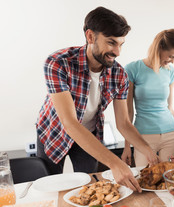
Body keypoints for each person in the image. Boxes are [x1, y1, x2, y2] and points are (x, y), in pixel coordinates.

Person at [36, 7, 157, 192]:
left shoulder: (120, 75)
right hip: (54, 132)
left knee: (90, 188)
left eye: (121, 44)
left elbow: (123, 123)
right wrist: (115, 163)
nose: (117, 52)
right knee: (49, 189)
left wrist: (147, 150)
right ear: (90, 36)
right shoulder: (58, 63)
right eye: (111, 43)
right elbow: (70, 123)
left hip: (89, 134)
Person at [123, 29, 174, 167]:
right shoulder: (133, 69)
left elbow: (170, 108)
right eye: (170, 56)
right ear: (160, 48)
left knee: (170, 181)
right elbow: (128, 112)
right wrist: (127, 146)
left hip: (170, 134)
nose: (173, 61)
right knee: (145, 180)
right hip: (143, 137)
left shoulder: (170, 72)